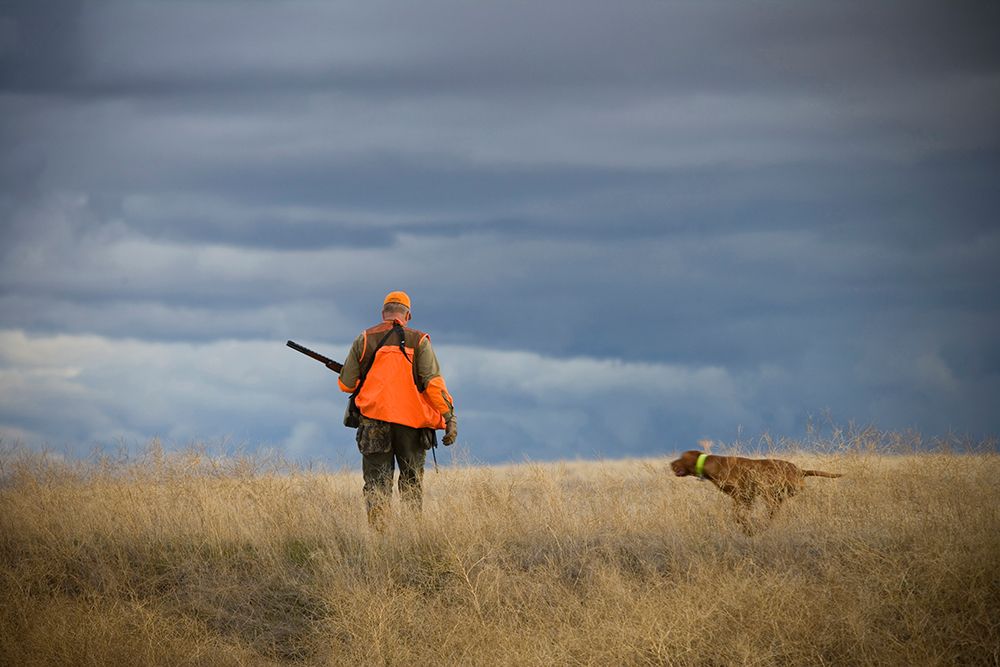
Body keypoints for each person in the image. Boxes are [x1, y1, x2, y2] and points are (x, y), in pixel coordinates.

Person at [338, 291, 457, 529]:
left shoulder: (364, 339)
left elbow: (346, 384)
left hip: (374, 424)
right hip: (411, 426)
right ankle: (411, 536)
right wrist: (449, 417)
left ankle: (380, 540)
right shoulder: (419, 340)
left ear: (383, 314)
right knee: (411, 483)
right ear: (408, 315)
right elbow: (433, 383)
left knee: (377, 485)